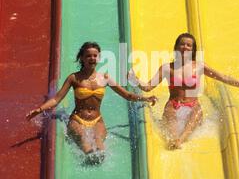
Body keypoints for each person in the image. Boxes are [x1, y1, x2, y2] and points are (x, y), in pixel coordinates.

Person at [129, 33, 239, 150]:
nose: (185, 47)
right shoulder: (167, 68)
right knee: (170, 130)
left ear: (193, 50)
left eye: (189, 45)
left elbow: (224, 78)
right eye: (182, 44)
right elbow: (148, 87)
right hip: (174, 105)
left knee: (196, 113)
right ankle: (175, 139)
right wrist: (134, 80)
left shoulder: (199, 67)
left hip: (192, 105)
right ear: (176, 47)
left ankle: (181, 140)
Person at [26, 42, 156, 164]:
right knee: (84, 140)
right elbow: (56, 99)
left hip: (97, 120)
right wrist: (39, 109)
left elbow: (127, 95)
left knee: (99, 143)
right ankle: (88, 156)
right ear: (81, 58)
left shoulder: (104, 78)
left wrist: (145, 98)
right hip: (77, 120)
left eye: (95, 55)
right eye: (88, 56)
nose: (92, 58)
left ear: (99, 58)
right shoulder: (74, 78)